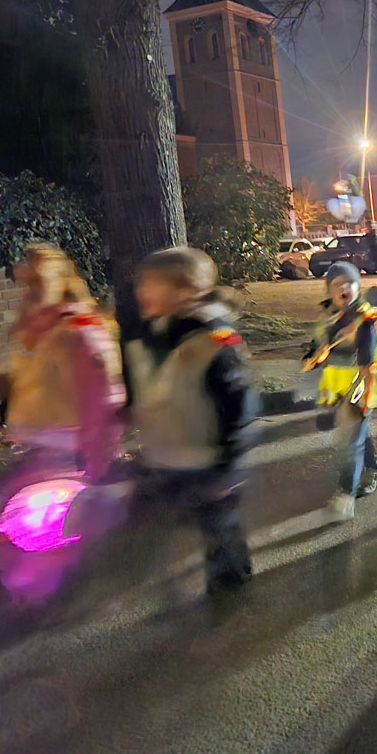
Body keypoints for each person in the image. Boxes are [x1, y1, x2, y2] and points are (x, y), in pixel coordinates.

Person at [123, 247, 257, 594]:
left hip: (208, 460)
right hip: (167, 455)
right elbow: (146, 389)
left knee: (219, 530)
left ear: (184, 290)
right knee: (155, 524)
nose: (141, 291)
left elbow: (237, 404)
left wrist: (227, 465)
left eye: (152, 283)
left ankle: (231, 588)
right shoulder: (150, 333)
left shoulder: (215, 339)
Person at [0, 243, 124, 479]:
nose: (28, 292)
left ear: (60, 281)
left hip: (73, 454)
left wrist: (98, 461)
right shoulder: (36, 330)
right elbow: (51, 382)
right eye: (25, 284)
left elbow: (104, 395)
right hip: (35, 453)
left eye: (37, 282)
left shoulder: (80, 328)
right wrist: (4, 382)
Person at [308, 262, 377, 522]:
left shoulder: (364, 318)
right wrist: (314, 355)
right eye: (337, 283)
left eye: (349, 282)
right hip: (337, 387)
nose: (344, 287)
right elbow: (317, 346)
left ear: (358, 286)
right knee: (357, 435)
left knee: (350, 443)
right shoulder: (329, 316)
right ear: (329, 290)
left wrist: (362, 388)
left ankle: (345, 496)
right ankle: (373, 469)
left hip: (359, 387)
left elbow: (367, 357)